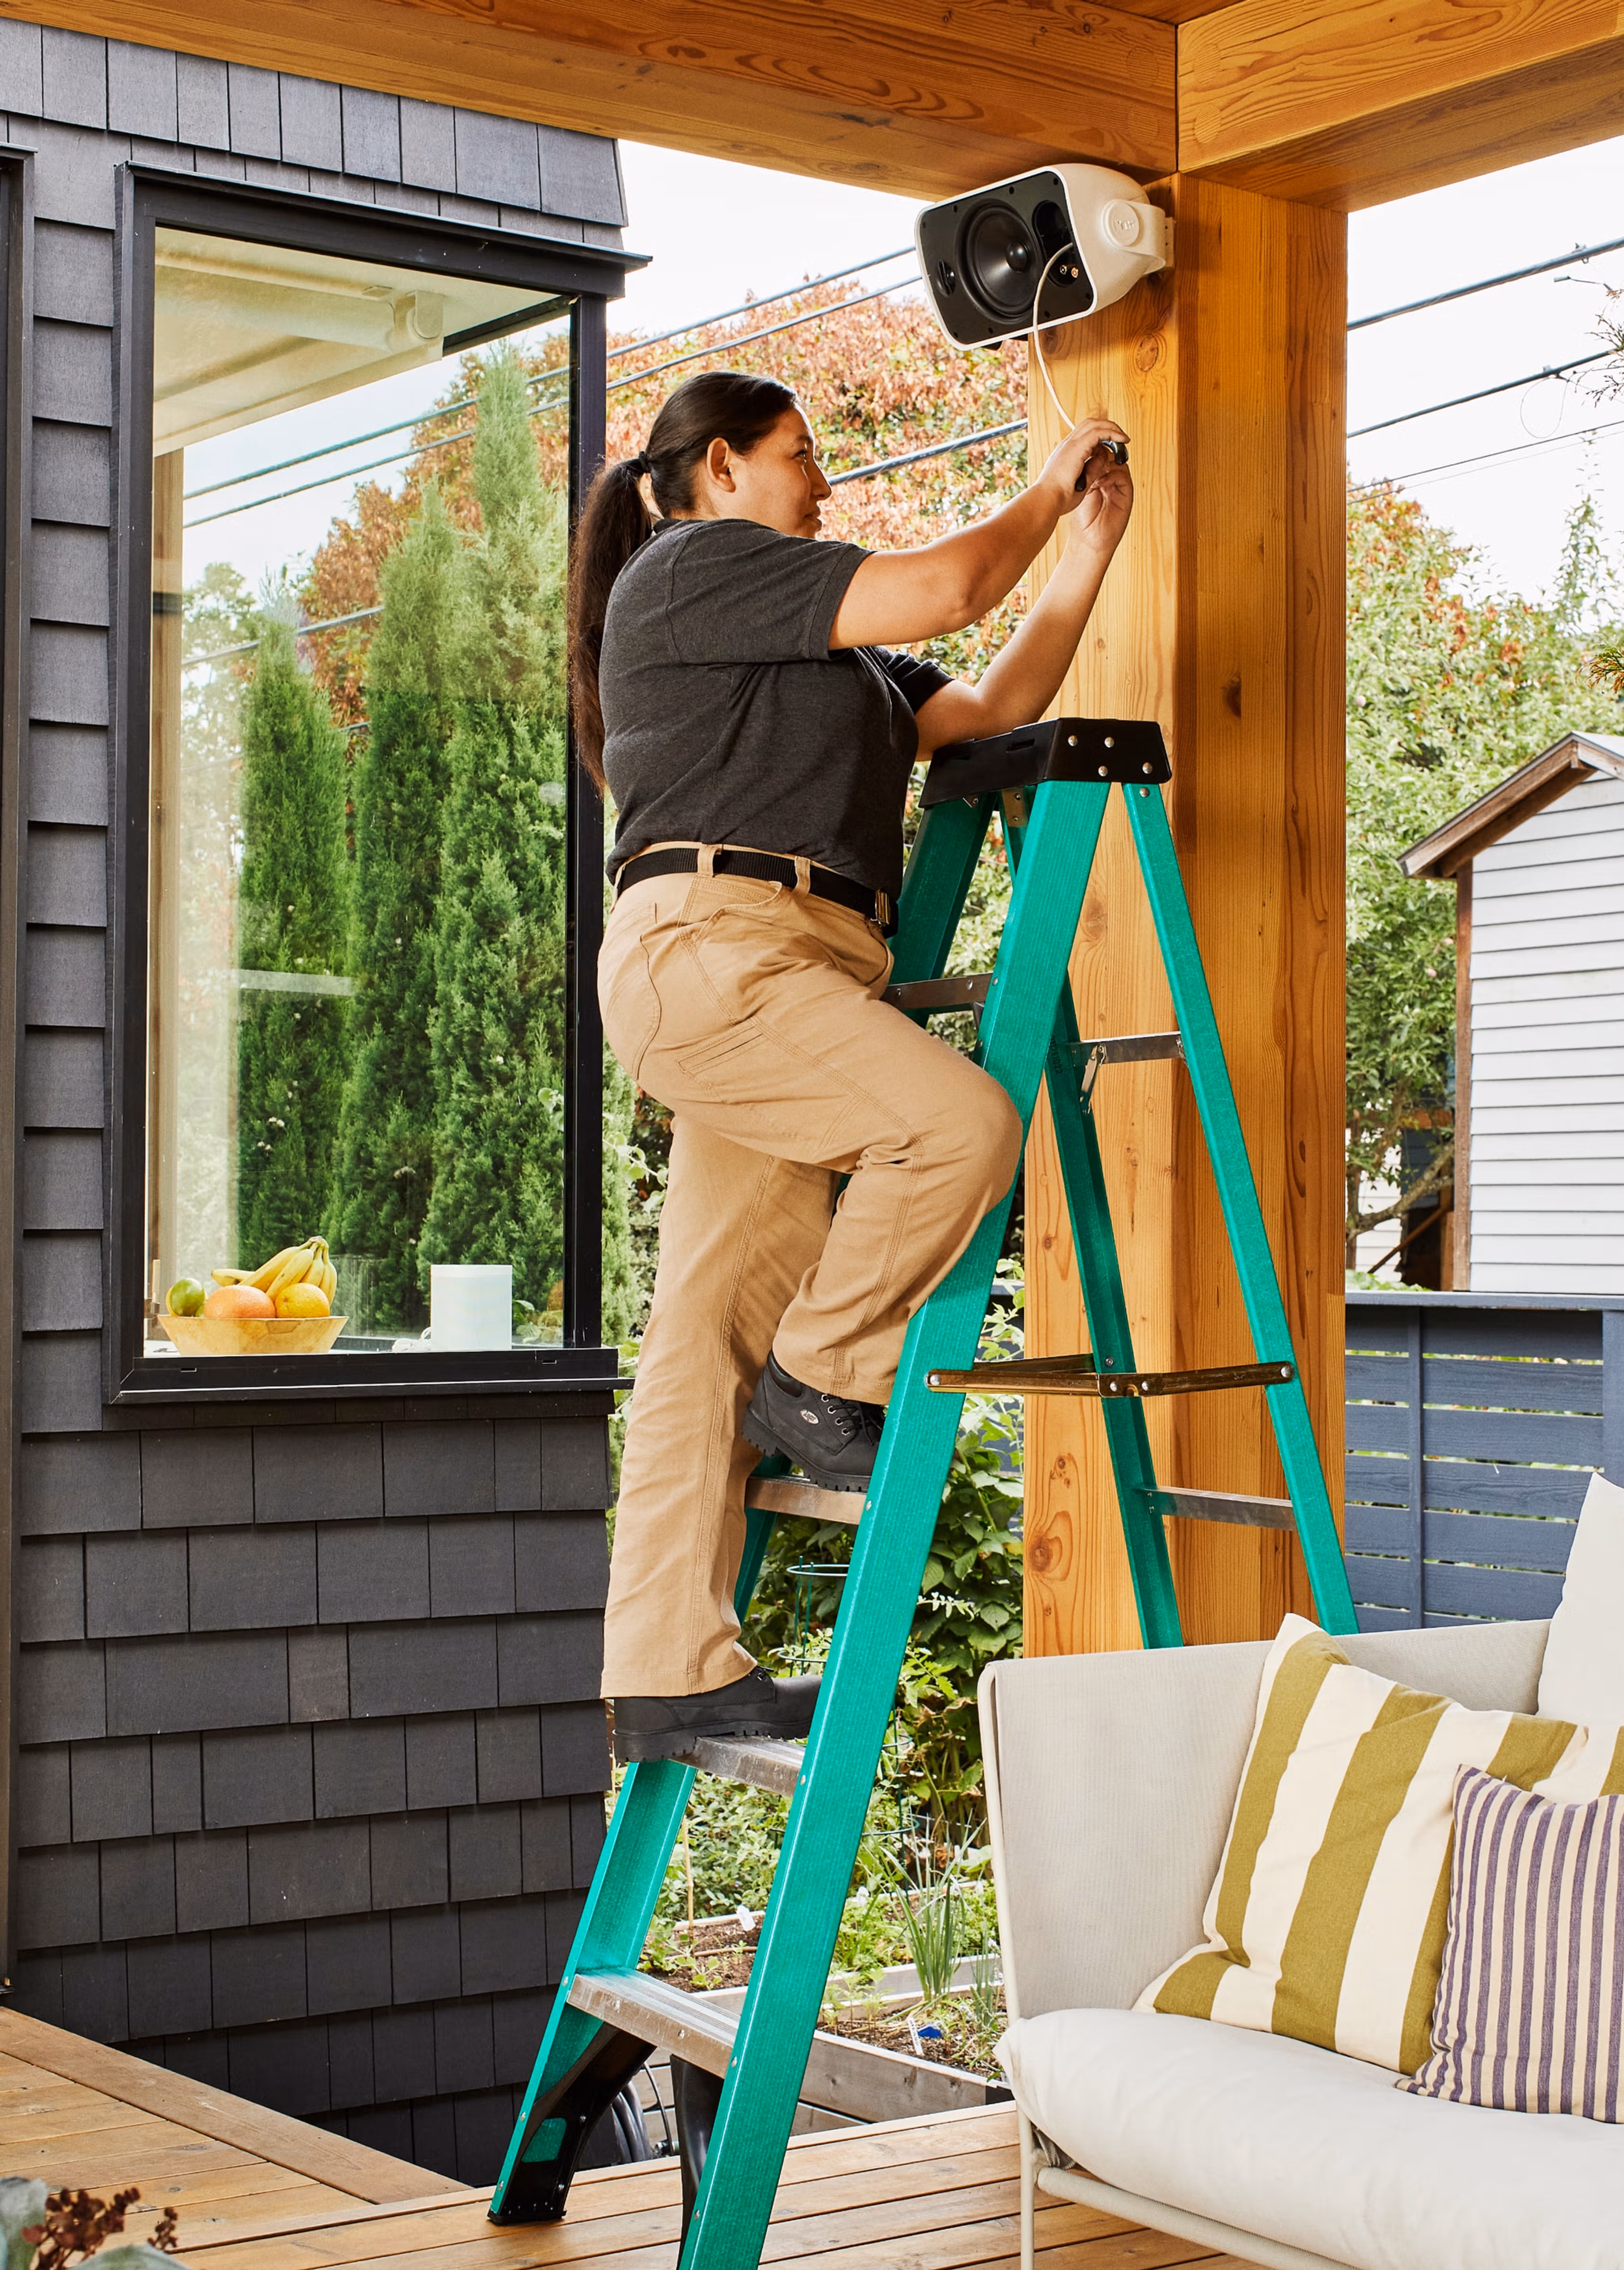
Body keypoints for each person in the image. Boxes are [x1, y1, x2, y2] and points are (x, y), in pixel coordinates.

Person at [569, 367, 1132, 1761]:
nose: (822, 484)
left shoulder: (849, 667)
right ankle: (824, 1377)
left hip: (792, 977)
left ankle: (667, 1670)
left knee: (703, 1334)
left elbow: (993, 692)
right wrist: (1047, 483)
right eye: (800, 456)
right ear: (715, 472)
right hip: (715, 945)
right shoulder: (693, 572)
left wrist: (1093, 546)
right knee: (958, 1126)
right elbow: (948, 585)